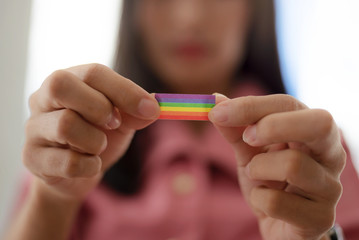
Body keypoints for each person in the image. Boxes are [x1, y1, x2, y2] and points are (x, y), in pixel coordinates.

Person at [5, 0, 359, 239]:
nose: (189, 16)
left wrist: (316, 235)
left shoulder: (312, 155)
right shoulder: (72, 142)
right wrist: (52, 200)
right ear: (134, 11)